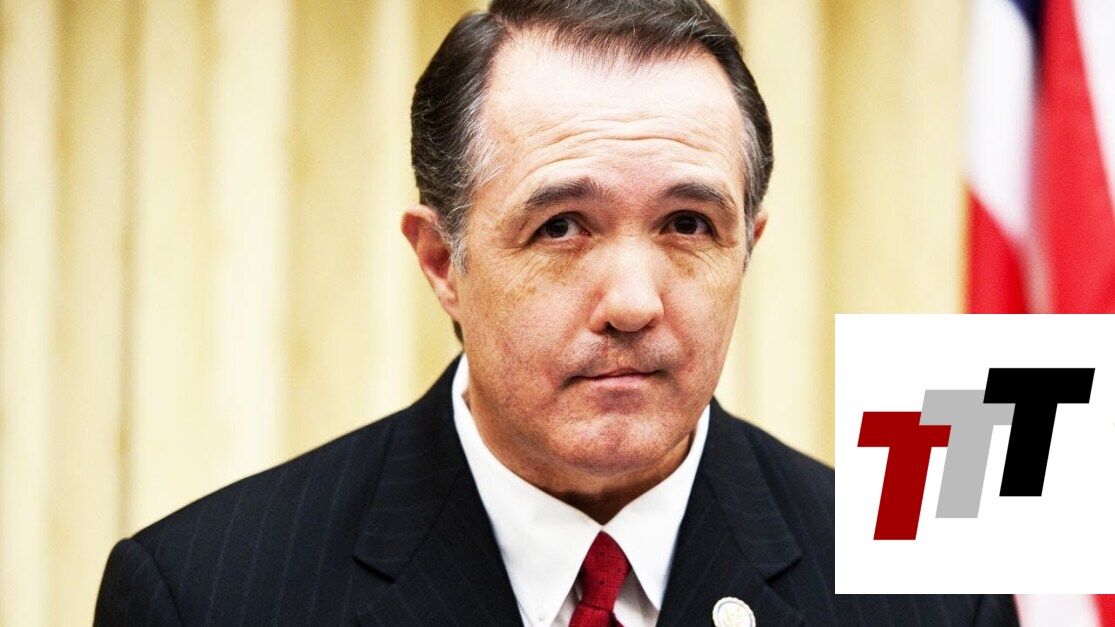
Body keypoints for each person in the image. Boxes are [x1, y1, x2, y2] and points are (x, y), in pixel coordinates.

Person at [95, 1, 1021, 625]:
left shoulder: (936, 595)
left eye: (688, 224)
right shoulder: (205, 594)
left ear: (747, 247)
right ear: (442, 262)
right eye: (562, 226)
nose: (633, 302)